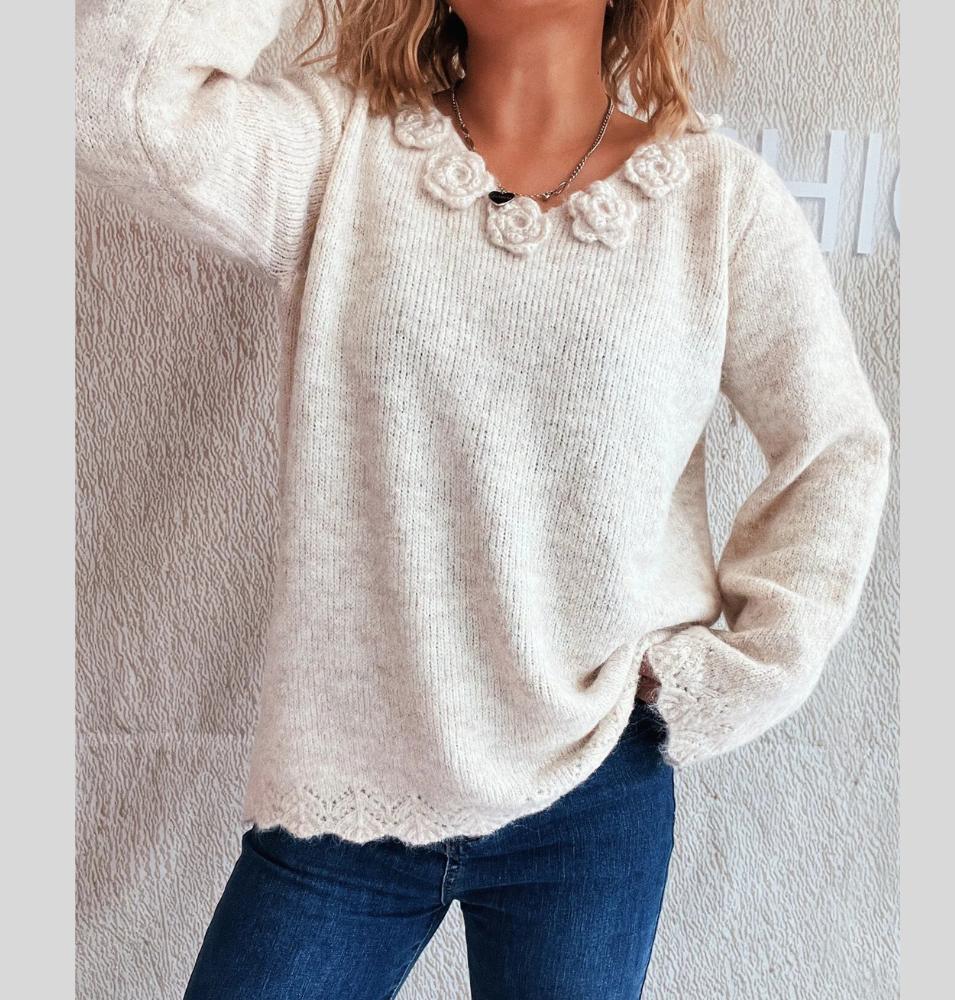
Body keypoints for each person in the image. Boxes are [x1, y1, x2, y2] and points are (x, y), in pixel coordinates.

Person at [75, 0, 891, 997]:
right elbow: (119, 102)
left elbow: (835, 448)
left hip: (592, 787)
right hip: (347, 787)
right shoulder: (340, 155)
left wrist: (737, 672)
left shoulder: (718, 203)